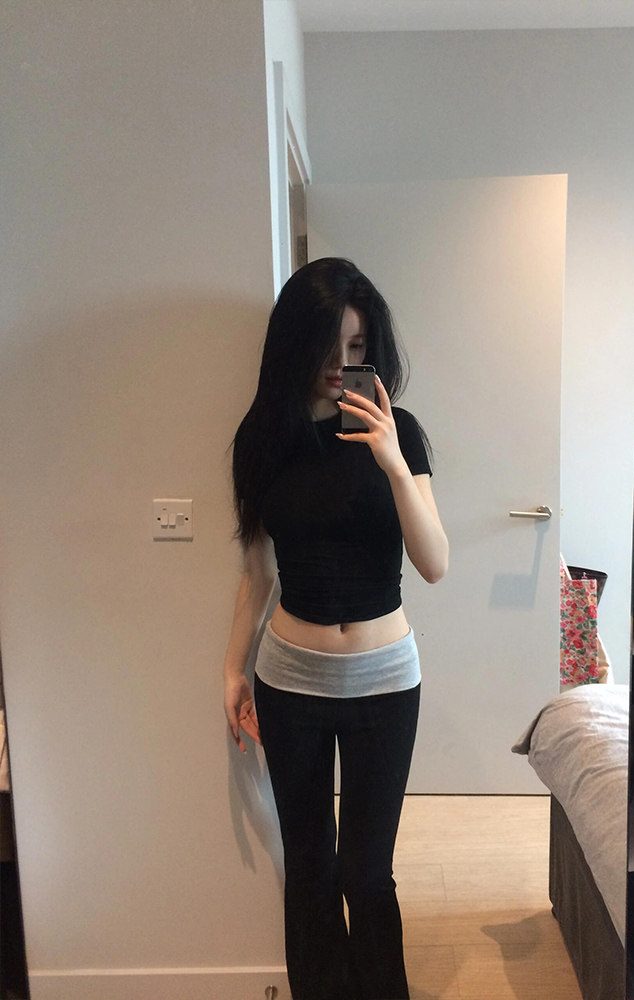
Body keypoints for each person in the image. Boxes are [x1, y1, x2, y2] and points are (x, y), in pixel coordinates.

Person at [223, 257, 448, 1000]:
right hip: (290, 682)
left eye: (355, 347)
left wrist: (390, 461)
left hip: (385, 682)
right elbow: (256, 574)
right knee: (311, 866)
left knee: (367, 872)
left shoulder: (399, 433)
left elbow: (435, 562)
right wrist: (231, 671)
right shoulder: (263, 440)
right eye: (326, 346)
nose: (339, 363)